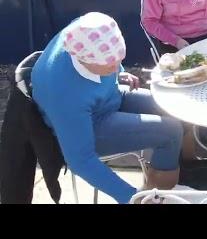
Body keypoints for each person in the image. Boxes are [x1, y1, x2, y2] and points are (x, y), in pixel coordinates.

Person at [30, 12, 194, 204]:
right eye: (110, 66)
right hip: (89, 125)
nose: (115, 67)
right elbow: (80, 160)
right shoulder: (63, 93)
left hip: (108, 96)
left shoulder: (90, 27)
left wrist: (120, 73)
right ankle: (153, 196)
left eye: (119, 60)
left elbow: (109, 61)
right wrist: (130, 196)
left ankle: (186, 172)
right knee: (170, 131)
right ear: (85, 60)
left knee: (176, 105)